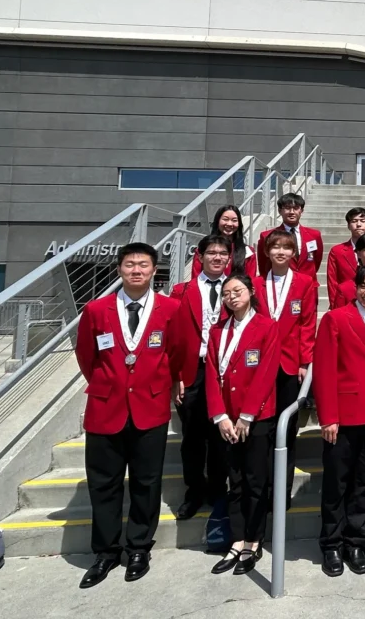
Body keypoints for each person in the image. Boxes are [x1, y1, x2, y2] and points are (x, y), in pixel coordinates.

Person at [74, 243, 182, 588]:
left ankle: (138, 547)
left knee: (146, 483)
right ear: (119, 269)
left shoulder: (171, 309)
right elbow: (87, 357)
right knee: (103, 484)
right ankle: (106, 552)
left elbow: (177, 352)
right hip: (106, 408)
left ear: (154, 271)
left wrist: (160, 385)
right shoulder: (96, 309)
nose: (136, 270)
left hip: (150, 408)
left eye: (143, 265)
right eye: (130, 264)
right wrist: (112, 385)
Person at [313, 265, 365, 577]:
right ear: (356, 287)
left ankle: (355, 542)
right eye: (364, 286)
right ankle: (331, 544)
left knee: (364, 485)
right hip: (343, 418)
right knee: (336, 485)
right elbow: (324, 371)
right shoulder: (335, 318)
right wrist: (328, 417)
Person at [204, 273, 281, 575]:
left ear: (250, 292)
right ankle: (236, 539)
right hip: (226, 420)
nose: (232, 297)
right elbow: (212, 373)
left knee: (255, 481)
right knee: (234, 482)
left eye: (237, 290)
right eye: (225, 294)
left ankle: (254, 539)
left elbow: (266, 372)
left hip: (256, 418)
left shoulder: (266, 326)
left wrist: (247, 416)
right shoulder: (216, 330)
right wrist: (220, 415)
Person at [251, 230, 317, 508]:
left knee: (286, 430)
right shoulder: (254, 283)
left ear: (294, 253)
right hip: (257, 366)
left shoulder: (305, 283)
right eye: (274, 247)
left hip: (290, 364)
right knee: (260, 429)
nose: (280, 252)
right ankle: (261, 488)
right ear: (266, 252)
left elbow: (307, 322)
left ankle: (282, 492)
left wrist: (304, 361)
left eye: (286, 248)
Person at [168, 235, 230, 521]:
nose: (217, 258)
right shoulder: (181, 291)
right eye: (212, 253)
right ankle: (194, 492)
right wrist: (177, 375)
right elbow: (173, 339)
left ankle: (218, 489)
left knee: (220, 436)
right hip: (193, 370)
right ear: (200, 257)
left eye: (222, 254)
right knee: (192, 438)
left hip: (226, 371)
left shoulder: (238, 289)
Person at [255, 192, 323, 282]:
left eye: (295, 208)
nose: (291, 212)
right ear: (280, 211)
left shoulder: (314, 235)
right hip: (279, 285)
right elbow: (263, 265)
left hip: (309, 286)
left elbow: (316, 261)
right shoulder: (267, 236)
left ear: (301, 211)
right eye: (287, 208)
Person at [191, 205, 257, 279]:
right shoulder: (203, 249)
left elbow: (251, 282)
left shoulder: (248, 252)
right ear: (217, 221)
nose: (229, 224)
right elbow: (195, 279)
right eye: (225, 219)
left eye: (234, 220)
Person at [326, 207, 365, 297]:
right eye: (354, 221)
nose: (358, 224)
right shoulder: (337, 251)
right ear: (348, 225)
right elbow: (332, 281)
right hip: (345, 300)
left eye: (363, 221)